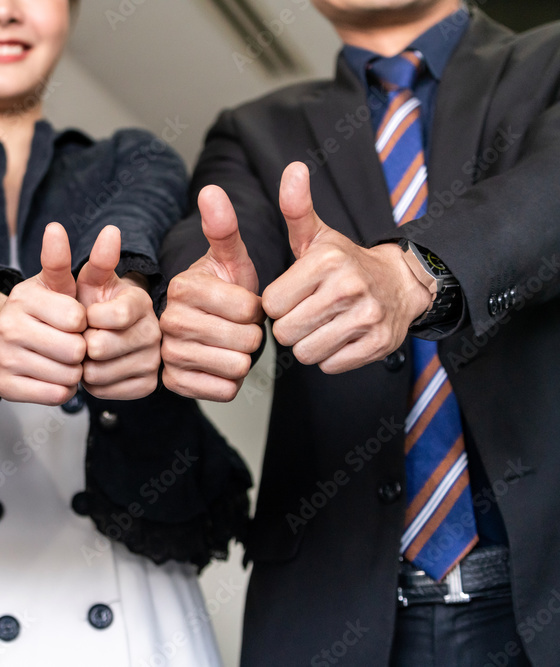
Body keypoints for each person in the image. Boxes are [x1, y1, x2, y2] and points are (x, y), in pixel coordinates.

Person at [0, 0, 252, 665]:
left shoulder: (134, 157)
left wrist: (119, 295)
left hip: (131, 600)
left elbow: (137, 224)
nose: (3, 10)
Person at [159, 0, 560, 664]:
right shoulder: (254, 129)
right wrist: (204, 296)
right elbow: (222, 245)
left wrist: (415, 274)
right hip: (332, 611)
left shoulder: (549, 58)